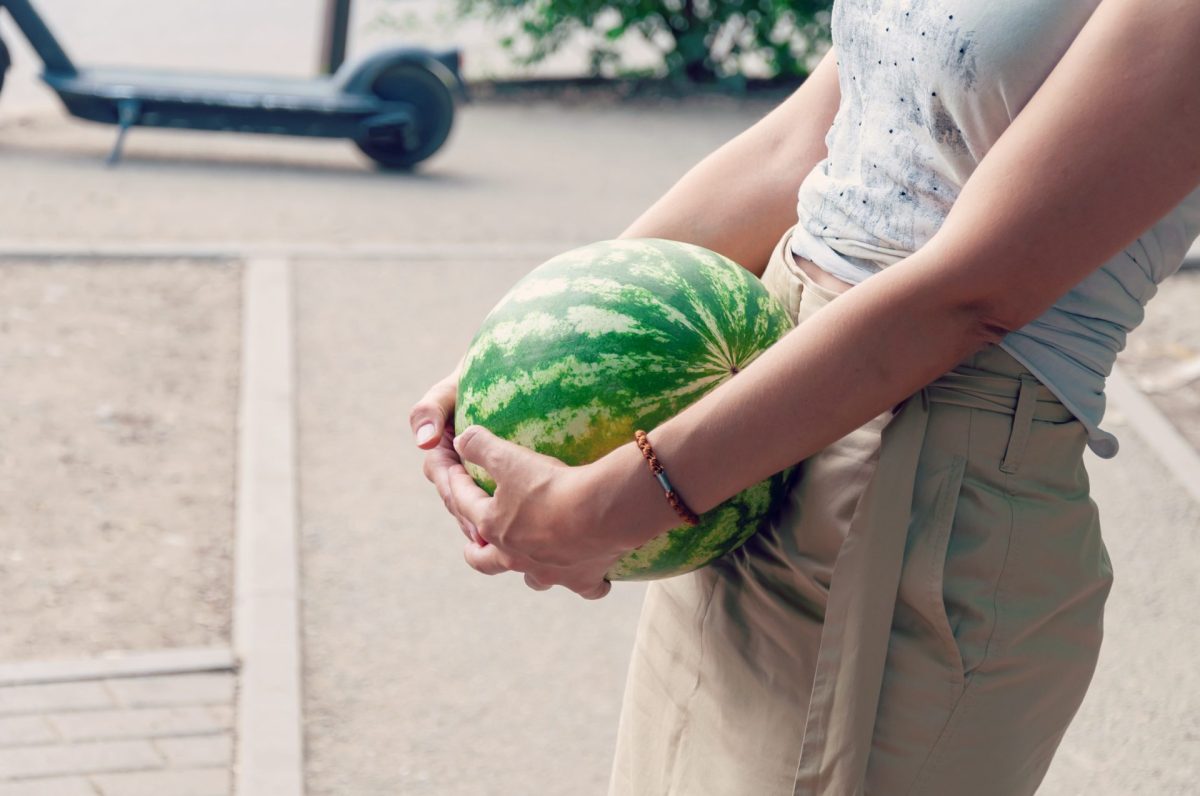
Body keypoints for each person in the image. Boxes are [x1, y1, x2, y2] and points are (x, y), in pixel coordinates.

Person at [409, 1, 1200, 792]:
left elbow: (974, 291)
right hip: (751, 428)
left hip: (922, 474)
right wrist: (538, 336)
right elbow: (800, 144)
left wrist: (610, 507)